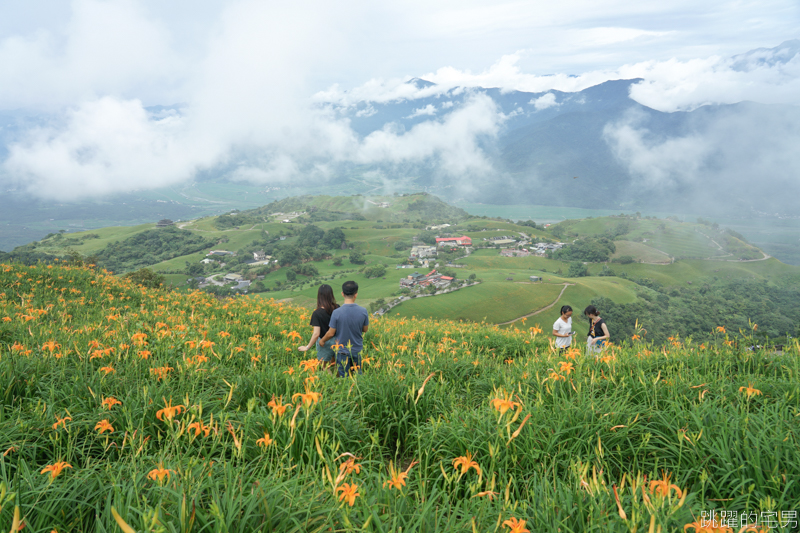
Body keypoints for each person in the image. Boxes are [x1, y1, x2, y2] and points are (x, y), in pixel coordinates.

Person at [319, 280, 369, 377]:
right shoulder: (363, 311)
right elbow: (365, 329)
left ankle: (347, 391)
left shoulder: (337, 312)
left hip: (342, 351)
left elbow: (331, 333)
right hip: (357, 349)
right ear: (356, 294)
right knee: (357, 375)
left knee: (343, 377)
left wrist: (322, 341)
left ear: (342, 294)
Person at [298, 284, 339, 373]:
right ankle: (339, 383)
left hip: (324, 342)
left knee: (325, 367)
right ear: (331, 295)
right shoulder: (337, 307)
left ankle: (331, 384)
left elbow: (316, 334)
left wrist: (307, 347)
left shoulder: (317, 313)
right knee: (336, 364)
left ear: (319, 296)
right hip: (338, 341)